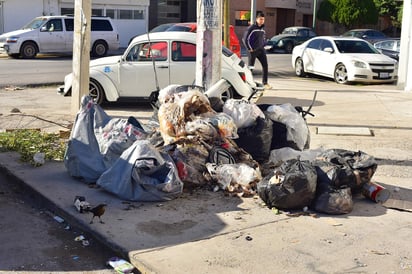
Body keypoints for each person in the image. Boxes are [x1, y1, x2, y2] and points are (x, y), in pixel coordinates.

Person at [243, 12, 271, 89]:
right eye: (260, 19)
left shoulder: (262, 29)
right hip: (252, 51)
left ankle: (265, 83)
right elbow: (245, 39)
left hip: (261, 50)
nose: (262, 21)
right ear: (257, 19)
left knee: (265, 66)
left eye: (263, 19)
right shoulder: (251, 28)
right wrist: (249, 48)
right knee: (251, 68)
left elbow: (263, 39)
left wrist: (265, 44)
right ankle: (248, 83)